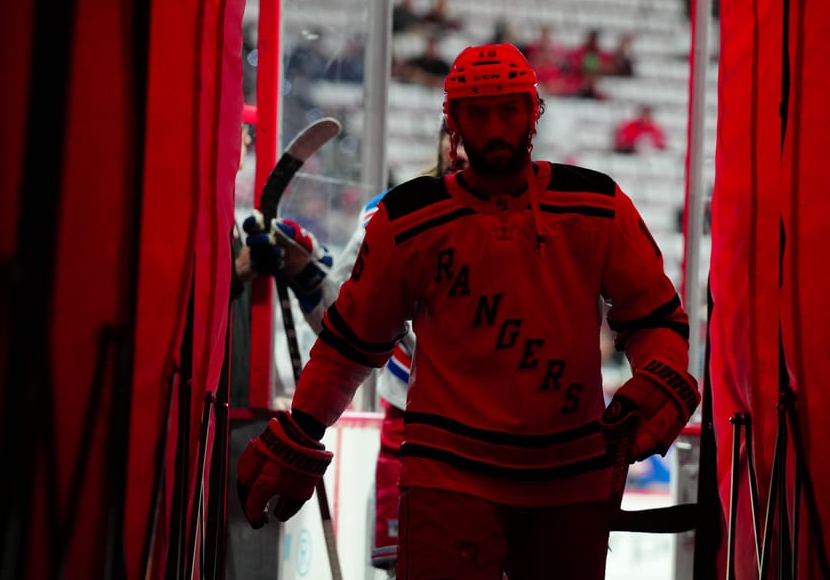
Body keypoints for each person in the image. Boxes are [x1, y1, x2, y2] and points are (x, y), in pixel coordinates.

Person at [236, 43, 700, 579]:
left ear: (533, 112)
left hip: (567, 476)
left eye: (509, 110)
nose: (496, 128)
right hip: (448, 478)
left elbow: (653, 315)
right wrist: (302, 426)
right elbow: (350, 344)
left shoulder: (596, 206)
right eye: (478, 113)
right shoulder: (405, 220)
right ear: (453, 121)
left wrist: (661, 369)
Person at [238, 119, 468, 577]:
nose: (460, 150)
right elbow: (350, 321)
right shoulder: (391, 214)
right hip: (412, 436)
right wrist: (306, 271)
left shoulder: (536, 223)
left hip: (505, 447)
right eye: (454, 131)